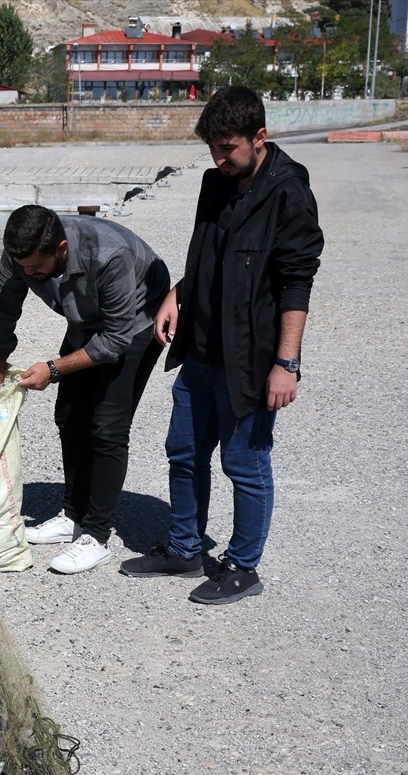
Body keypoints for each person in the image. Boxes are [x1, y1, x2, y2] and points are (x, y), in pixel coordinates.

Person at [119, 85, 324, 604]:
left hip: (251, 359)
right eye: (212, 148)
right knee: (184, 452)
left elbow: (296, 284)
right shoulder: (215, 182)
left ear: (259, 137)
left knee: (245, 464)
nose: (218, 158)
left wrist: (287, 363)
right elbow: (210, 255)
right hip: (201, 348)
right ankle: (185, 549)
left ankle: (243, 566)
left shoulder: (288, 193)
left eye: (228, 148)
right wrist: (175, 294)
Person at [0, 205, 171, 575]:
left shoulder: (110, 256)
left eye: (36, 268)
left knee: (107, 425)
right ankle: (73, 515)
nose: (29, 274)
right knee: (69, 415)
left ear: (62, 249)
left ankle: (96, 536)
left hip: (135, 319)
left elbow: (115, 340)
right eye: (23, 267)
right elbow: (4, 309)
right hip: (86, 314)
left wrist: (53, 370)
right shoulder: (22, 253)